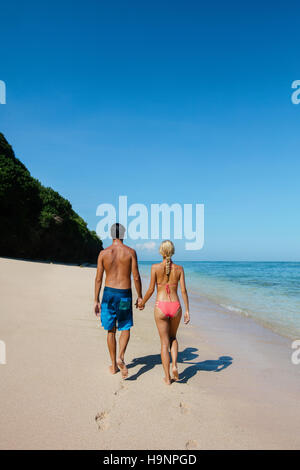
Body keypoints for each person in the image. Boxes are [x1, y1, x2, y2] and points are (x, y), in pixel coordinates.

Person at [94, 223, 142, 378]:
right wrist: (140, 296)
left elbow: (98, 279)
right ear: (123, 234)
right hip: (124, 294)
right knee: (125, 326)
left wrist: (96, 299)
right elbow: (135, 276)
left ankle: (114, 365)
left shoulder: (103, 253)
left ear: (111, 235)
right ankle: (121, 356)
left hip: (108, 295)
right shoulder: (130, 252)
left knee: (110, 330)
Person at [138, 240, 190, 385]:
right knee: (173, 337)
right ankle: (174, 365)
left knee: (163, 343)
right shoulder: (180, 269)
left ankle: (167, 378)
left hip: (160, 306)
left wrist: (142, 302)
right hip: (176, 306)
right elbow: (184, 291)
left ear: (161, 251)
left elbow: (150, 290)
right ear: (172, 251)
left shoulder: (155, 267)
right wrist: (187, 310)